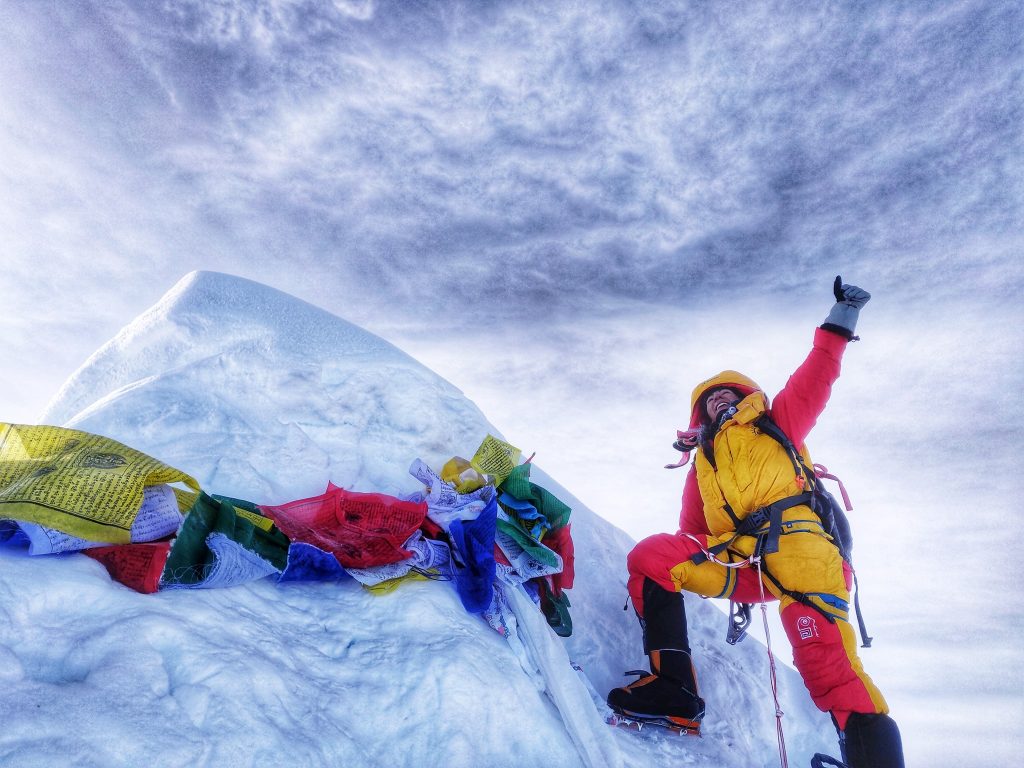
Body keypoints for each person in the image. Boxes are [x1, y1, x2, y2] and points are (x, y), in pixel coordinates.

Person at [607, 278, 905, 768]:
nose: (718, 401)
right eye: (709, 400)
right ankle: (673, 691)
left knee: (827, 665)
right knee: (653, 559)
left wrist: (841, 317)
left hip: (800, 552)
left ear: (746, 398)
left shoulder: (776, 423)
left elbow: (818, 376)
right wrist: (690, 556)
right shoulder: (703, 463)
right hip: (746, 561)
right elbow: (691, 535)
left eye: (728, 394)